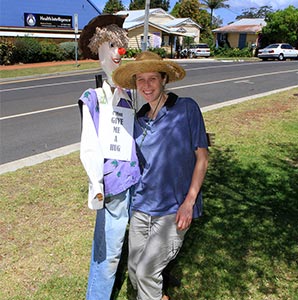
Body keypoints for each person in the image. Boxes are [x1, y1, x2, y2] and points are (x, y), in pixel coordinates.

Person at [112, 51, 209, 300]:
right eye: (140, 79)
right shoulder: (137, 120)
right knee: (134, 270)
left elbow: (202, 158)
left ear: (163, 79)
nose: (146, 85)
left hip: (174, 209)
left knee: (146, 272)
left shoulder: (186, 108)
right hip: (143, 207)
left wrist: (189, 202)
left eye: (152, 78)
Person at [78, 14, 140, 300]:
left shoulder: (128, 94)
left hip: (135, 181)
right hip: (111, 187)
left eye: (120, 46)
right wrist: (96, 184)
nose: (118, 52)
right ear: (99, 47)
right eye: (112, 45)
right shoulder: (91, 97)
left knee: (135, 242)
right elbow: (89, 144)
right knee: (109, 253)